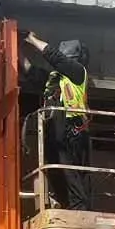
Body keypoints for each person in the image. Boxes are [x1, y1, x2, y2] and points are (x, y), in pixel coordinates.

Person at [26, 35, 92, 210]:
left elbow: (54, 56)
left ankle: (80, 213)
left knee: (72, 176)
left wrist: (30, 38)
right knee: (57, 173)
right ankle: (66, 209)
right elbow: (29, 71)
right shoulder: (54, 81)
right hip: (56, 134)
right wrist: (14, 46)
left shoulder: (78, 73)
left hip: (73, 132)